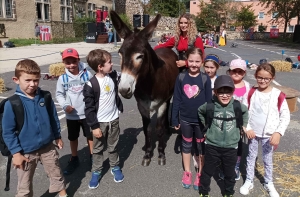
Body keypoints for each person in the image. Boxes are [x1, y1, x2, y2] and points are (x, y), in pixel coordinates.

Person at [2, 59, 68, 197]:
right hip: (25, 152)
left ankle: (63, 194)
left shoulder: (45, 97)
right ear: (16, 79)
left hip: (47, 147)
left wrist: (57, 136)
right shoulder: (12, 103)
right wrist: (16, 153)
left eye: (36, 80)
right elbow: (8, 132)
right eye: (28, 80)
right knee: (24, 186)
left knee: (56, 174)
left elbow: (53, 118)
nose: (32, 84)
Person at [240, 63, 290, 197]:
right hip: (253, 134)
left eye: (266, 78)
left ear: (272, 78)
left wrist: (278, 132)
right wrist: (247, 128)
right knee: (250, 157)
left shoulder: (278, 95)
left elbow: (285, 116)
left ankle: (268, 182)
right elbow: (244, 112)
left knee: (268, 159)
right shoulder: (251, 93)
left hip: (269, 135)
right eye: (260, 77)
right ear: (255, 76)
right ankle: (249, 180)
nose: (262, 80)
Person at [198, 75, 248, 197]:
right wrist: (206, 127)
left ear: (233, 91)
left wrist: (243, 126)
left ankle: (228, 192)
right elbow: (200, 111)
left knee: (230, 173)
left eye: (228, 92)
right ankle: (204, 192)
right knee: (207, 171)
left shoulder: (237, 106)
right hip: (212, 145)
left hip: (231, 147)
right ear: (215, 92)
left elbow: (245, 111)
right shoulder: (210, 105)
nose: (225, 95)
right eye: (220, 92)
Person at [172, 47, 212, 190]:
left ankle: (200, 173)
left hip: (201, 121)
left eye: (197, 61)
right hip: (185, 119)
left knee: (201, 147)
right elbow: (176, 99)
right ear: (186, 61)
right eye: (191, 61)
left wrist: (209, 122)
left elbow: (209, 102)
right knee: (186, 145)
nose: (194, 64)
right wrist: (174, 118)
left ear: (201, 62)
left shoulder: (205, 78)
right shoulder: (181, 77)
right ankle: (187, 172)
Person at [83, 49, 124, 189]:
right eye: (109, 62)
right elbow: (88, 109)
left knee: (113, 145)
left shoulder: (113, 76)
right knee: (98, 149)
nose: (112, 64)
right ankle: (97, 171)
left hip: (114, 120)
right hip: (99, 123)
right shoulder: (90, 85)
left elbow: (126, 77)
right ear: (100, 66)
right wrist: (94, 127)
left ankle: (115, 166)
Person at [56, 48, 93, 175]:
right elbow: (59, 94)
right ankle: (74, 157)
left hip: (87, 113)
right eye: (68, 62)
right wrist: (65, 105)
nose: (71, 65)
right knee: (73, 137)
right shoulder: (63, 79)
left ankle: (92, 156)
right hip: (72, 115)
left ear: (78, 60)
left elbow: (94, 90)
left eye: (73, 61)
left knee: (90, 136)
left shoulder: (87, 74)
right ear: (63, 63)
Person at [218, 59, 251, 181]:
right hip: (224, 120)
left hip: (238, 122)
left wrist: (244, 124)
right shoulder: (225, 84)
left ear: (244, 73)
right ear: (229, 72)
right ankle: (224, 166)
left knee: (238, 145)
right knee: (224, 144)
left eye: (240, 71)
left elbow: (247, 106)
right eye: (234, 71)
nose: (237, 73)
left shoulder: (247, 86)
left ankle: (235, 166)